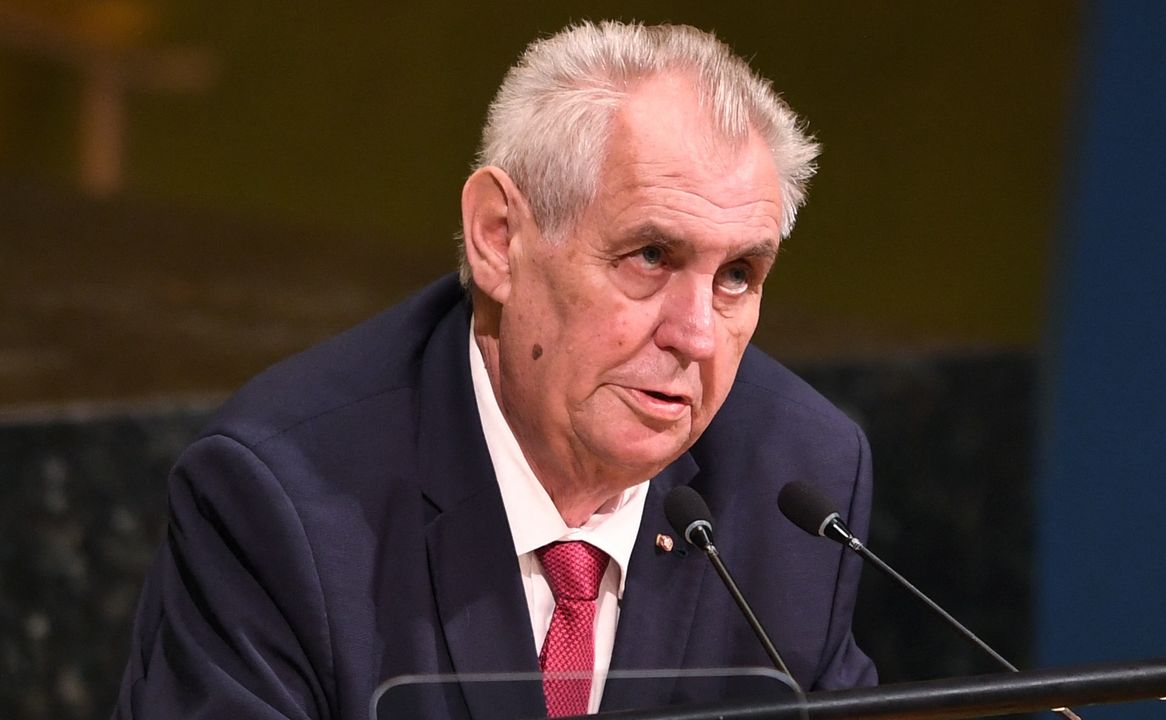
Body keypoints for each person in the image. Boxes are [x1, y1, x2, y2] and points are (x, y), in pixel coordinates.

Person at [113, 20, 877, 720]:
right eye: (650, 256)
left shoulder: (797, 482)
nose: (698, 336)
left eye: (738, 274)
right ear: (498, 237)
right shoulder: (285, 500)